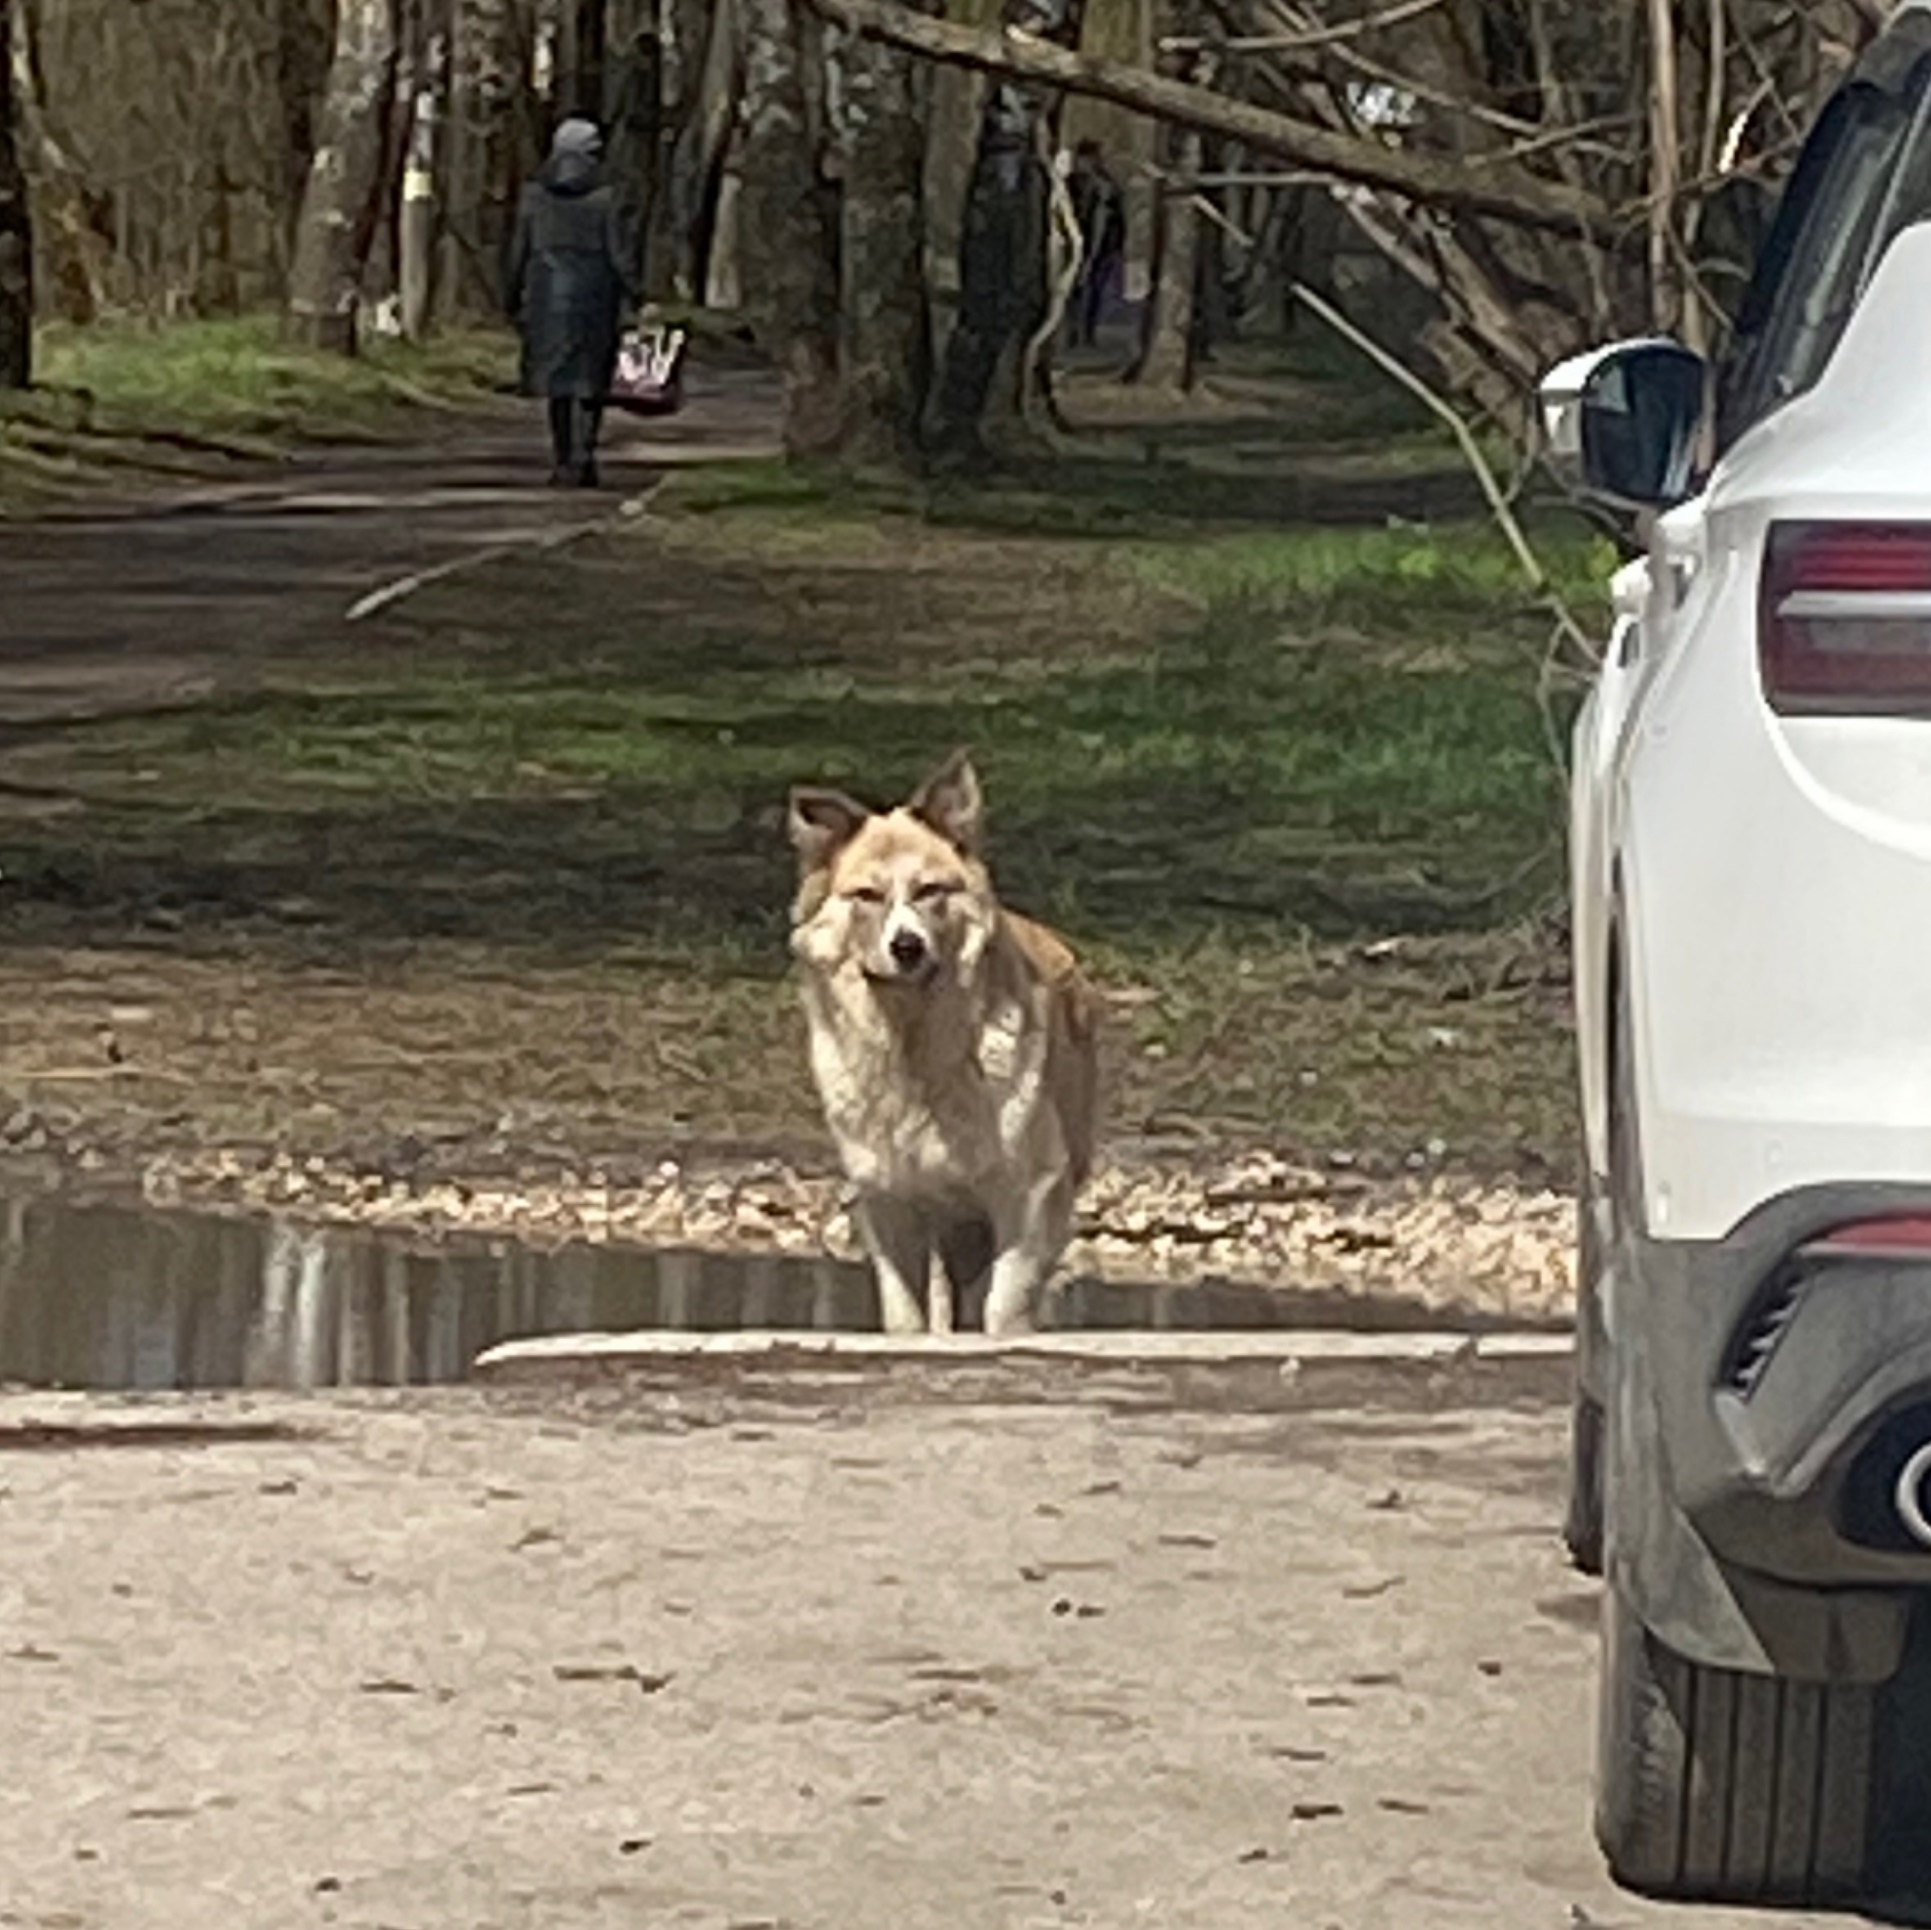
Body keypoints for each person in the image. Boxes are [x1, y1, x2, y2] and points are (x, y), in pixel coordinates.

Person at [505, 119, 639, 488]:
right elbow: (620, 252)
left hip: (545, 291)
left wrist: (511, 293)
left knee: (557, 382)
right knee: (590, 381)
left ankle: (563, 458)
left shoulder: (535, 196)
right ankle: (584, 456)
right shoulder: (608, 196)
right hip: (596, 293)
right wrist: (637, 292)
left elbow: (519, 249)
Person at [1067, 140, 1127, 350]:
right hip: (1077, 242)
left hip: (1102, 245)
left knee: (1094, 289)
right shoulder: (1072, 184)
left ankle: (1086, 331)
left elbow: (1114, 218)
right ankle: (1073, 331)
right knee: (1074, 289)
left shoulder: (1105, 185)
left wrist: (1115, 246)